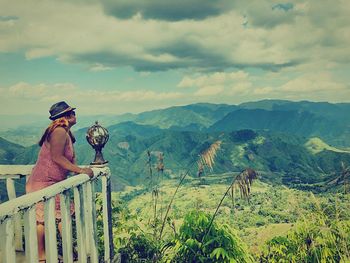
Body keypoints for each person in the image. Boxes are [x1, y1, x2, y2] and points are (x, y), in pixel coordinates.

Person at [26, 101, 93, 261]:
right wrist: (80, 171)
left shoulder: (66, 132)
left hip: (52, 181)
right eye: (72, 112)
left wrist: (77, 169)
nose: (74, 115)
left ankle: (68, 252)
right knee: (44, 219)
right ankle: (45, 256)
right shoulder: (59, 132)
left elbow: (69, 157)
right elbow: (57, 157)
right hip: (43, 182)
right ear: (65, 116)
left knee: (59, 216)